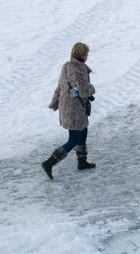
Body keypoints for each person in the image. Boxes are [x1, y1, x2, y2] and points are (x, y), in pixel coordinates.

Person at [42, 42, 96, 179]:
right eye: (86, 53)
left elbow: (60, 87)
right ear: (81, 55)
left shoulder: (66, 66)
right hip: (75, 110)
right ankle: (49, 162)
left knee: (83, 130)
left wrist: (55, 102)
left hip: (68, 107)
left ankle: (82, 162)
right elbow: (84, 92)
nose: (87, 56)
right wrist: (92, 89)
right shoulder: (79, 70)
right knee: (73, 139)